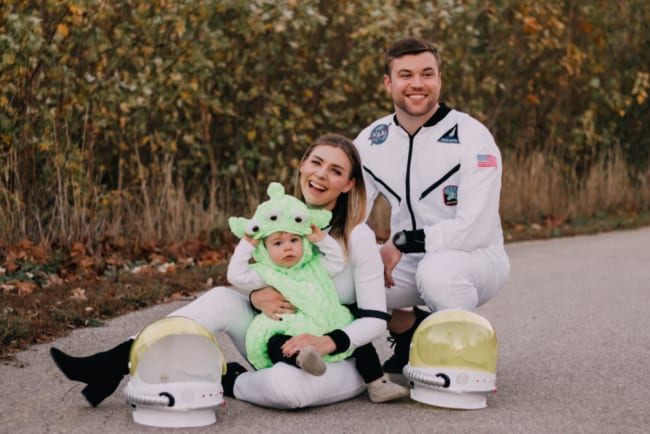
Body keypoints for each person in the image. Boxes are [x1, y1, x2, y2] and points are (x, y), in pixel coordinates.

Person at [50, 133, 399, 409]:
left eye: (335, 171)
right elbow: (256, 271)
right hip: (274, 338)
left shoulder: (358, 236)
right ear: (302, 166)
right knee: (219, 298)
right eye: (316, 162)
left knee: (288, 389)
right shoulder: (276, 219)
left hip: (334, 357)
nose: (321, 174)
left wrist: (326, 341)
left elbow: (375, 319)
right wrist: (254, 293)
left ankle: (225, 379)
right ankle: (112, 364)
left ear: (350, 184)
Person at [353, 36, 511, 373]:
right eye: (406, 75)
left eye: (427, 74)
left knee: (436, 273)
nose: (417, 84)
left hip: (475, 258)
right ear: (388, 82)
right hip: (404, 262)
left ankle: (459, 361)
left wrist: (401, 241)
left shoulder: (472, 135)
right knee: (343, 280)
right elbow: (349, 215)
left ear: (439, 79)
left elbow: (476, 228)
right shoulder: (371, 140)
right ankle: (406, 331)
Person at [227, 182, 408, 402]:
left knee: (362, 345)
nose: (287, 247)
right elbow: (236, 276)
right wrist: (247, 243)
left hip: (326, 321)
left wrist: (319, 238)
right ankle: (302, 359)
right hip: (291, 324)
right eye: (277, 243)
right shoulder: (266, 271)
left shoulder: (313, 264)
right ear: (264, 248)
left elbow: (337, 260)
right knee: (276, 343)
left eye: (294, 240)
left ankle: (377, 382)